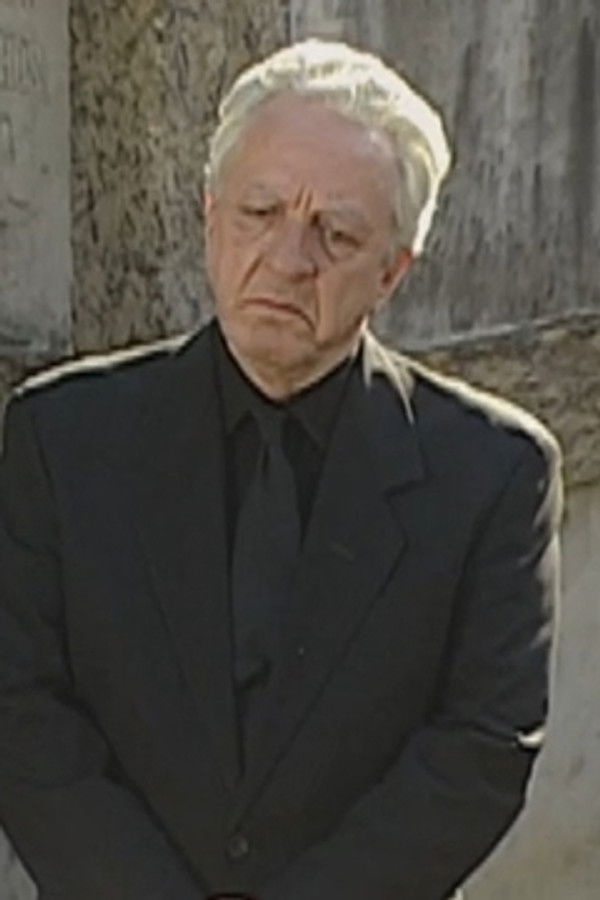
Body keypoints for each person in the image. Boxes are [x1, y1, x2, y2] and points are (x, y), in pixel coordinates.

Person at [0, 39, 562, 900]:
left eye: (335, 233)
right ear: (209, 215)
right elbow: (20, 710)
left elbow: (481, 748)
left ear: (393, 271)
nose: (290, 259)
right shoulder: (61, 437)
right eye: (260, 211)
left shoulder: (493, 473)